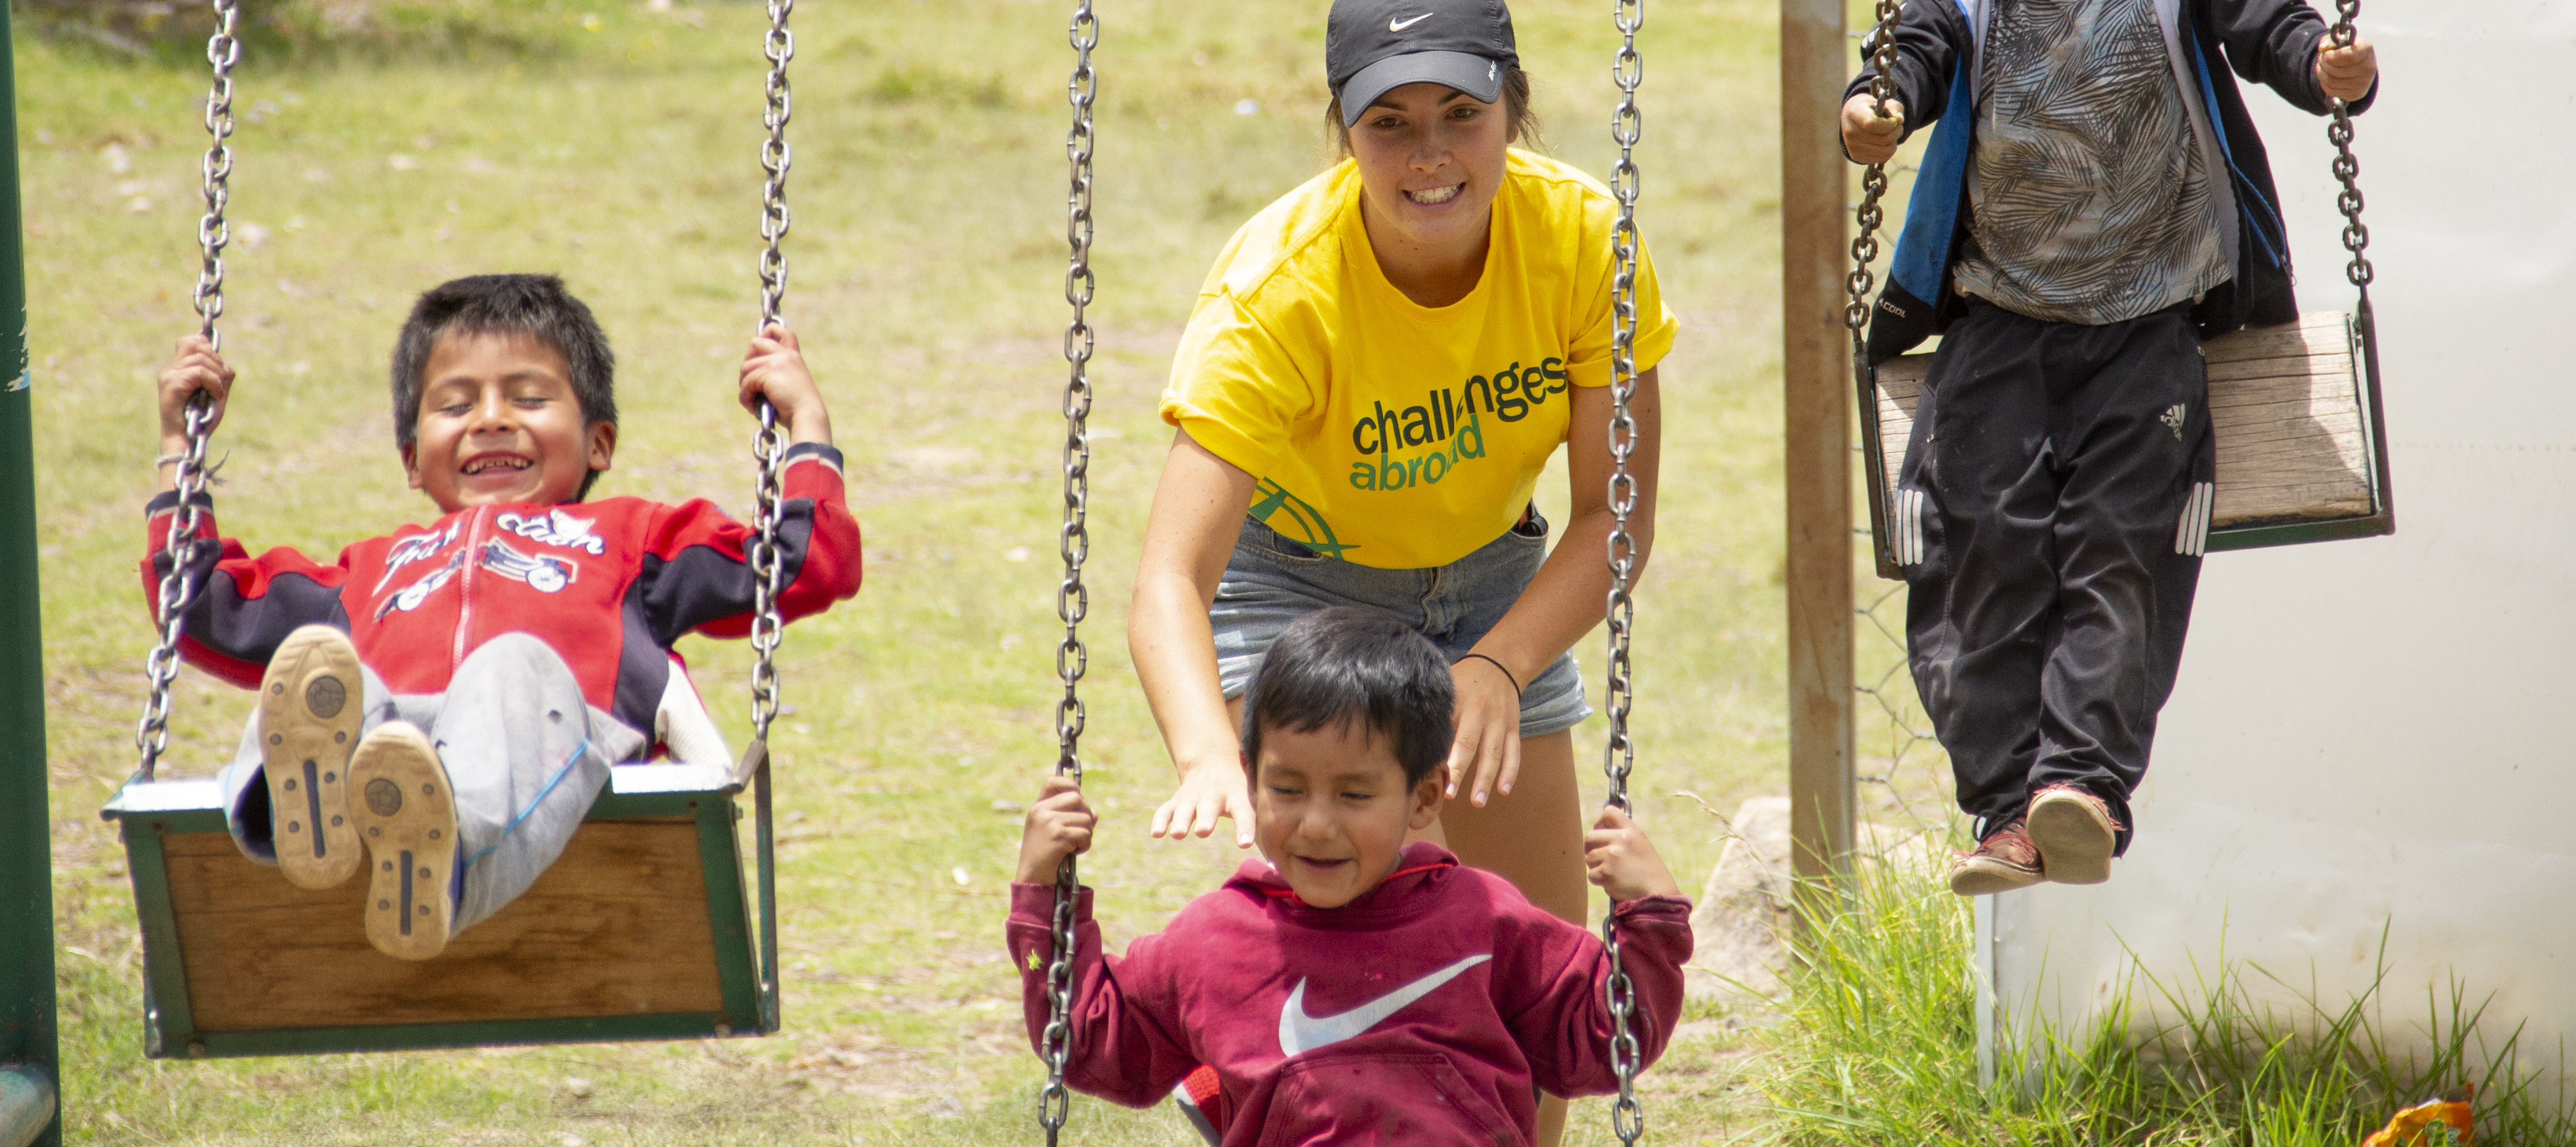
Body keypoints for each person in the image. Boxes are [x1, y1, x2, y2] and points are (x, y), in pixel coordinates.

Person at [1131, 0, 1673, 1145]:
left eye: (1461, 116)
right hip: (1300, 589)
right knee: (1367, 900)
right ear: (1344, 133)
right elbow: (1172, 575)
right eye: (1391, 124)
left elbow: (1614, 513)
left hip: (1489, 585)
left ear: (1512, 111)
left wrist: (1499, 662)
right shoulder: (1278, 292)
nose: (1430, 155)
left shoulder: (1582, 239)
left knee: (1539, 966)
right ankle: (1245, 1066)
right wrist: (1206, 754)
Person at [1837, 0, 2382, 896]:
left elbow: (2275, 29)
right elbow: (1913, 51)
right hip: (1997, 325)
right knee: (1972, 554)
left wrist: (2329, 68)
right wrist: (1876, 103)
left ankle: (2079, 785)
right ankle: (2001, 809)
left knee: (2120, 560)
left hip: (2149, 337)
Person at [141, 273, 859, 960]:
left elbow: (804, 562)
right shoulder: (367, 571)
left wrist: (805, 421)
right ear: (412, 459)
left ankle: (437, 860)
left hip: (545, 748)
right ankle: (302, 812)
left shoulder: (637, 541)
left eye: (529, 397)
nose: (491, 420)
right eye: (455, 407)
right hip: (388, 762)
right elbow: (198, 602)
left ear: (599, 442)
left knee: (512, 663)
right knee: (323, 673)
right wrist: (182, 443)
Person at [1011, 606, 1692, 1146]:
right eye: (1287, 787)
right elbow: (1089, 1044)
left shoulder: (1483, 920)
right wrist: (1045, 895)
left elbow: (1609, 1042)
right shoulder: (1215, 941)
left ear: (1424, 798)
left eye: (1354, 795)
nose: (1315, 824)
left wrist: (1651, 913)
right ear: (1250, 781)